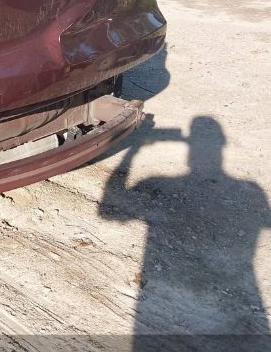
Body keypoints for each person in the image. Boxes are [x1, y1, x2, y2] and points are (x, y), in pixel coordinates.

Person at [99, 116, 271, 350]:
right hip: (237, 298)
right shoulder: (253, 192)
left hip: (159, 307)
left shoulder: (157, 181)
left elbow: (107, 211)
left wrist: (133, 152)